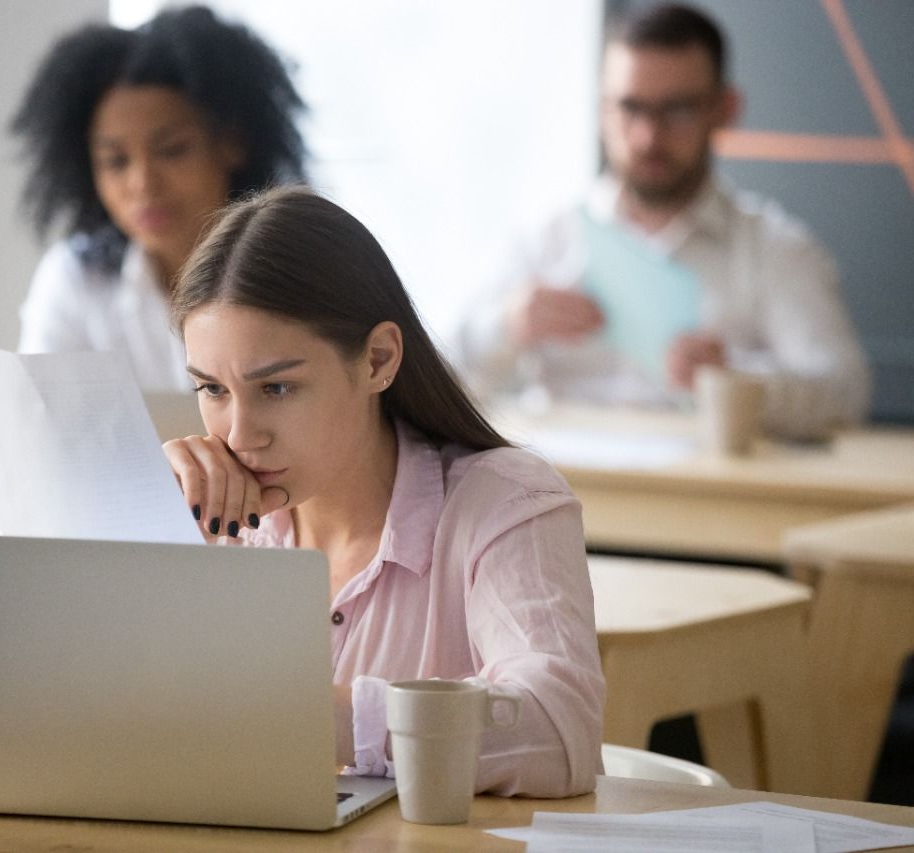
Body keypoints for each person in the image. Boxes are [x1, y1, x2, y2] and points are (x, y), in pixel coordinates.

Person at [162, 187, 604, 798]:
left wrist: (314, 717)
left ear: (377, 359)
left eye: (278, 389)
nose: (239, 435)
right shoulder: (210, 525)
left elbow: (560, 731)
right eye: (212, 390)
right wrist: (141, 527)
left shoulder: (505, 503)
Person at [455, 3, 870, 440]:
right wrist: (506, 325)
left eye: (678, 110)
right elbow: (431, 379)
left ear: (724, 109)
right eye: (630, 108)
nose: (648, 137)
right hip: (557, 486)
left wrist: (735, 379)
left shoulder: (776, 249)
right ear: (602, 110)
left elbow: (845, 392)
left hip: (707, 499)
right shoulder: (546, 239)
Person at [11, 5, 307, 390]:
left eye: (171, 150)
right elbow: (39, 427)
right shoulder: (78, 279)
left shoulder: (301, 272)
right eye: (116, 161)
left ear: (233, 142)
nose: (143, 183)